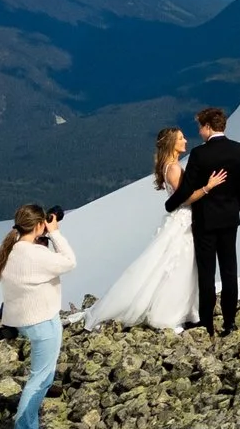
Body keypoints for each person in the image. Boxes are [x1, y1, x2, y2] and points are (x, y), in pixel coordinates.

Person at [88, 127, 217, 331]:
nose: (185, 141)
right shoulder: (173, 168)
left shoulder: (168, 166)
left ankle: (184, 308)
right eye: (181, 138)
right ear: (171, 144)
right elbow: (184, 198)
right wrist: (208, 187)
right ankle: (170, 311)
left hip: (181, 219)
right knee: (180, 265)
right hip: (184, 220)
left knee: (174, 265)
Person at [0, 202, 75, 429]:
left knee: (43, 368)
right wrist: (56, 233)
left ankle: (47, 384)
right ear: (40, 226)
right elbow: (69, 262)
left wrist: (44, 232)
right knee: (37, 378)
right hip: (42, 321)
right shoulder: (37, 254)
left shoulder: (11, 250)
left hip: (21, 320)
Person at [164, 106, 240, 334]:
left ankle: (207, 324)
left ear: (208, 127)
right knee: (230, 270)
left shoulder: (200, 154)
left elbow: (186, 189)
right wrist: (233, 208)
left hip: (205, 220)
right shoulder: (239, 150)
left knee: (207, 273)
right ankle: (230, 321)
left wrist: (169, 204)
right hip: (230, 219)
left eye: (200, 127)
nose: (199, 132)